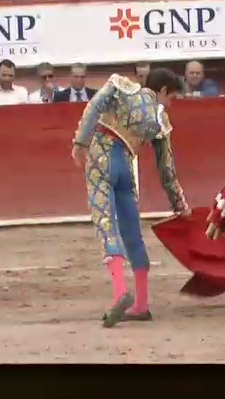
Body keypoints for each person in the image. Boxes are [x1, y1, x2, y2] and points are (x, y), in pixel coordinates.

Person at [70, 69, 191, 328]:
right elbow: (166, 169)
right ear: (163, 91)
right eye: (172, 98)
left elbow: (95, 106)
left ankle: (119, 293)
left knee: (105, 223)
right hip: (126, 164)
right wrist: (179, 203)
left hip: (102, 155)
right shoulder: (160, 119)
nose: (170, 104)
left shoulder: (122, 86)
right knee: (132, 230)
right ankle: (142, 304)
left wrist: (80, 142)